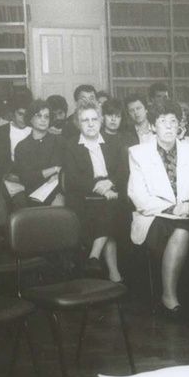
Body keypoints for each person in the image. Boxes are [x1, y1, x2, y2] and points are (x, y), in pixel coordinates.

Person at [128, 97, 189, 315]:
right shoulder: (138, 153)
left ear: (180, 125)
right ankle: (169, 296)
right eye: (163, 122)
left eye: (173, 122)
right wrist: (172, 209)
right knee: (184, 231)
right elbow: (139, 197)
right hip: (154, 218)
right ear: (153, 126)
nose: (169, 127)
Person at [61, 101, 128, 282]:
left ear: (100, 121)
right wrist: (101, 188)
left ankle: (94, 257)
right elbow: (73, 179)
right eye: (85, 120)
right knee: (109, 209)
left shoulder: (114, 142)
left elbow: (123, 172)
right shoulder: (70, 145)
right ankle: (114, 274)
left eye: (94, 119)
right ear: (78, 123)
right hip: (83, 198)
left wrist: (110, 183)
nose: (90, 124)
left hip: (111, 194)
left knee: (111, 207)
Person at [12, 100, 64, 206]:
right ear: (30, 118)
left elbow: (67, 168)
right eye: (38, 116)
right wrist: (54, 169)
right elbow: (26, 178)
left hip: (58, 191)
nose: (43, 120)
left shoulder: (59, 141)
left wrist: (60, 175)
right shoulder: (22, 146)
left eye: (46, 116)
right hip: (34, 193)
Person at [0, 97, 31, 202]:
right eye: (20, 114)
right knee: (20, 201)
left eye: (27, 115)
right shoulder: (2, 131)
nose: (24, 118)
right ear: (12, 114)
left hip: (31, 178)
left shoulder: (33, 129)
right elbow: (4, 162)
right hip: (12, 178)